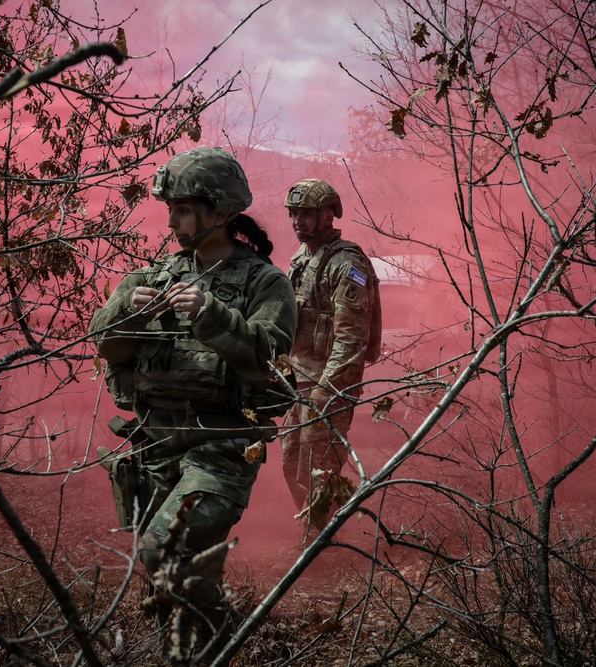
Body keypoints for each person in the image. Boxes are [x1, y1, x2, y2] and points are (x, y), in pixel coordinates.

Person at [89, 147, 296, 663]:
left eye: (183, 210)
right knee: (170, 576)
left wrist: (212, 314)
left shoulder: (265, 283)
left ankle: (224, 643)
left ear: (220, 211)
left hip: (220, 448)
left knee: (165, 549)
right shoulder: (151, 278)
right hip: (155, 444)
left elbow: (268, 357)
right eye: (171, 209)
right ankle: (188, 657)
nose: (172, 222)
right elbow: (106, 346)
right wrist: (127, 311)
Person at [278, 178, 382, 531]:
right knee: (291, 461)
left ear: (328, 215)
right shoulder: (302, 258)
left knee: (319, 469)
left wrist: (328, 389)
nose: (297, 221)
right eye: (294, 213)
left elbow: (351, 338)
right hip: (299, 380)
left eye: (306, 214)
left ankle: (323, 542)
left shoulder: (347, 263)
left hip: (329, 385)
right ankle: (319, 531)